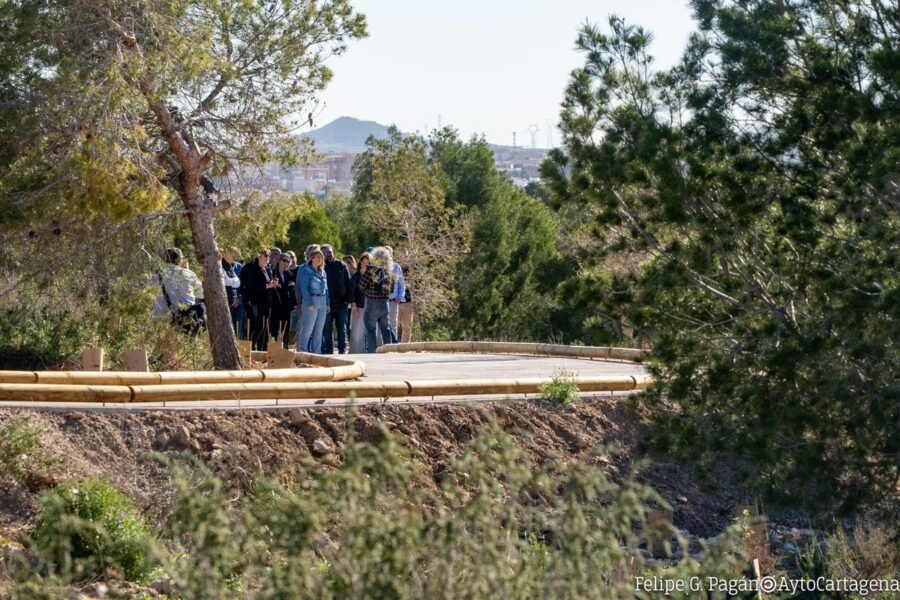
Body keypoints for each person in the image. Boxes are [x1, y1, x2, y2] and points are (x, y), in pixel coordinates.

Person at [151, 247, 206, 335]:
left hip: (161, 319)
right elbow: (201, 294)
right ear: (180, 260)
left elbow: (149, 292)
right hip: (186, 319)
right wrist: (187, 270)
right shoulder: (189, 274)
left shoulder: (155, 274)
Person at [358, 246, 395, 352]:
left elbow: (361, 285)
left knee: (370, 329)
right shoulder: (389, 273)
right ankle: (389, 351)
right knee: (386, 329)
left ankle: (373, 353)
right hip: (385, 304)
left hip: (372, 303)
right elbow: (392, 290)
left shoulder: (371, 270)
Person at [241, 249, 278, 350]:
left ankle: (261, 350)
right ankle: (250, 348)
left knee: (265, 327)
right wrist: (267, 286)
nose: (268, 258)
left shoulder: (267, 268)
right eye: (265, 255)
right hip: (256, 302)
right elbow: (251, 287)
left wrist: (273, 283)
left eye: (269, 255)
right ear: (258, 256)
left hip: (267, 302)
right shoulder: (252, 269)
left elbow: (269, 283)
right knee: (258, 326)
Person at [296, 248, 329, 354]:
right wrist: (309, 303)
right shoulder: (306, 270)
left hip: (322, 300)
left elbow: (326, 289)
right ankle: (303, 352)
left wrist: (327, 303)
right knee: (308, 329)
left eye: (321, 257)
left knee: (319, 330)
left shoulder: (323, 271)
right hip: (311, 300)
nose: (320, 259)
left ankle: (317, 353)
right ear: (311, 259)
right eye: (317, 257)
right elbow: (304, 289)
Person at [321, 244, 351, 354]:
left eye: (329, 252)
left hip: (342, 303)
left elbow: (348, 283)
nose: (327, 254)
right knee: (327, 328)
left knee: (341, 328)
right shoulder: (321, 267)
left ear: (333, 251)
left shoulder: (341, 265)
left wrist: (347, 300)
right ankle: (329, 351)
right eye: (324, 253)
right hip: (327, 303)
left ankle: (342, 351)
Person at [269, 253, 297, 347]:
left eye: (288, 261)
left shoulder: (289, 274)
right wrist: (284, 287)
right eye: (284, 260)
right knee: (275, 328)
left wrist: (282, 286)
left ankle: (284, 348)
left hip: (286, 304)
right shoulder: (272, 272)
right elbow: (275, 288)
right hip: (275, 304)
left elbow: (291, 288)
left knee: (285, 328)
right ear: (279, 261)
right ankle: (274, 348)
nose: (286, 263)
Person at [348, 252, 369, 353]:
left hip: (371, 306)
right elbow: (351, 292)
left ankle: (367, 351)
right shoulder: (355, 276)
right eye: (364, 262)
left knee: (369, 331)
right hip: (359, 306)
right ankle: (355, 352)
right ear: (360, 262)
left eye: (367, 262)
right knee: (357, 331)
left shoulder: (371, 276)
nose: (365, 264)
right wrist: (354, 307)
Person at [384, 245, 405, 343]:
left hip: (393, 301)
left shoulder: (397, 267)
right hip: (381, 301)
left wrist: (399, 297)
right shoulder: (379, 267)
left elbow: (401, 284)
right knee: (382, 325)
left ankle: (393, 345)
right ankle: (383, 345)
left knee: (393, 324)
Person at [397, 265, 415, 343]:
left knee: (406, 327)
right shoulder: (394, 267)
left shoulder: (409, 268)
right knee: (393, 326)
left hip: (408, 302)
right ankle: (392, 345)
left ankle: (405, 347)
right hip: (395, 303)